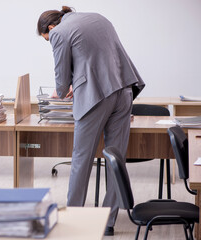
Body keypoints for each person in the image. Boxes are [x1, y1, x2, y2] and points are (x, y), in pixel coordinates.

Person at [37, 6, 145, 236]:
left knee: (81, 159)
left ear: (51, 28)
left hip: (96, 97)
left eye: (46, 38)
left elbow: (61, 76)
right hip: (124, 90)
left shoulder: (59, 32)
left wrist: (61, 89)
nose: (50, 40)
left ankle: (74, 218)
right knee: (115, 158)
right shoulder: (98, 18)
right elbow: (100, 58)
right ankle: (108, 221)